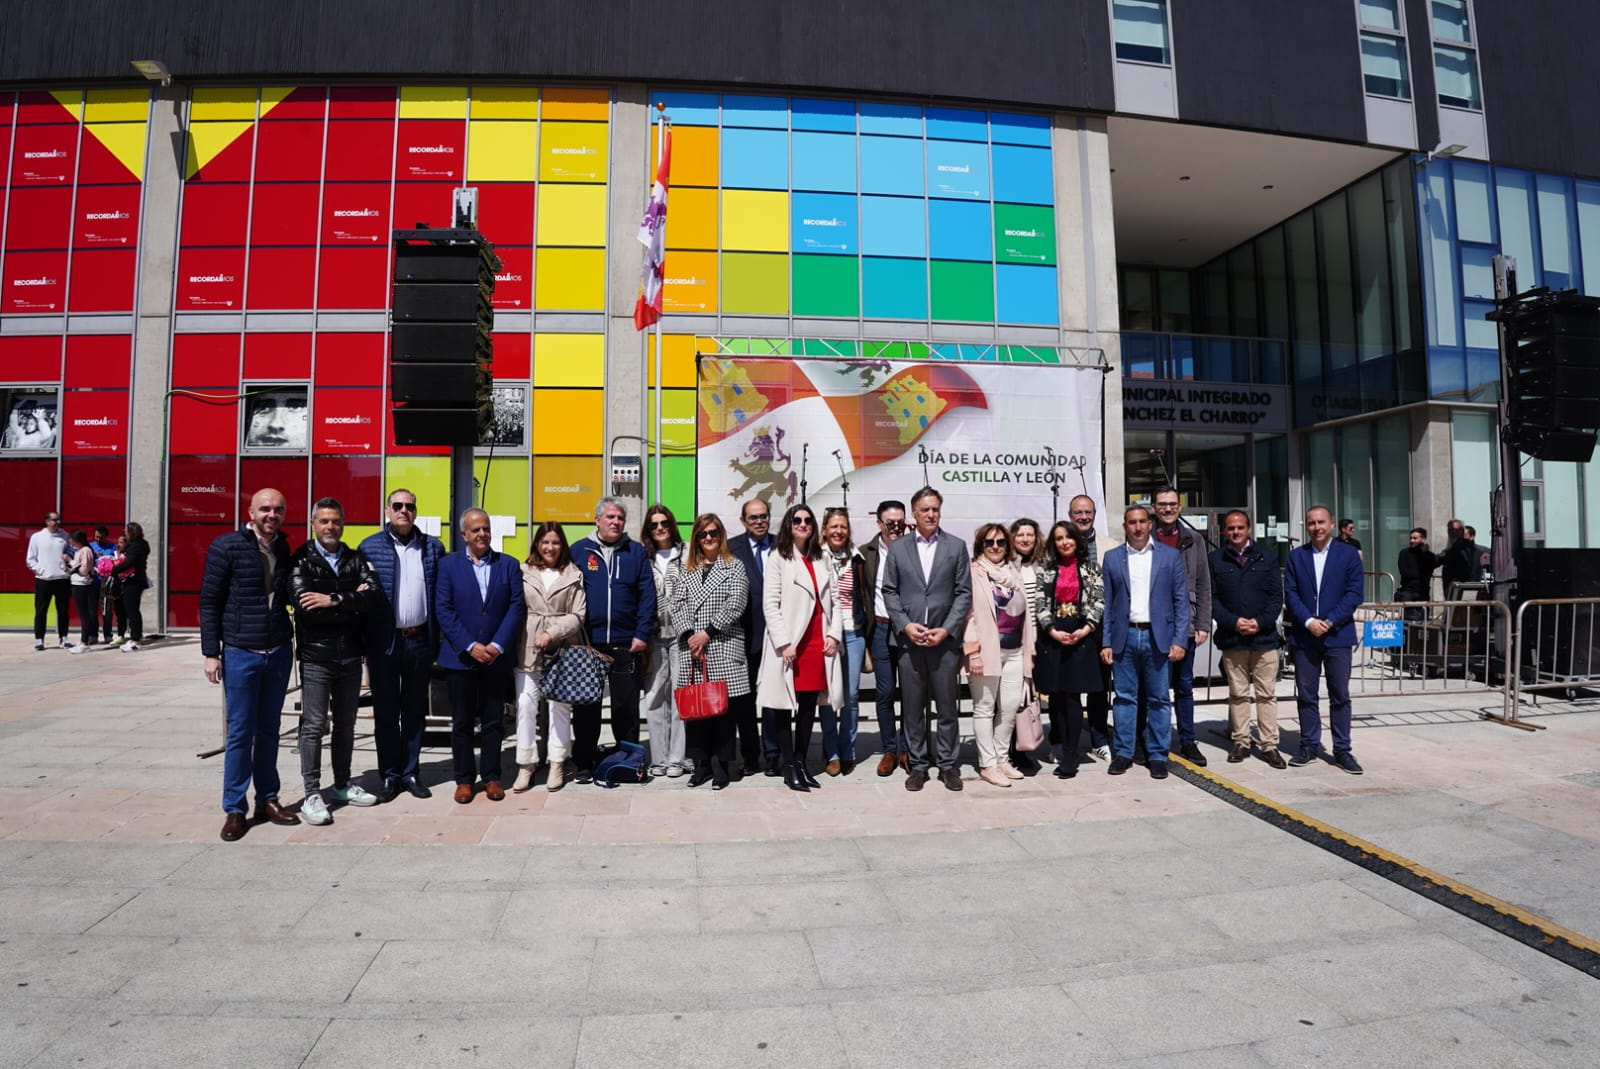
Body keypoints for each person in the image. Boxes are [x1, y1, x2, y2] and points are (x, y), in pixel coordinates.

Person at [200, 488, 299, 842]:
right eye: (265, 509)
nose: (272, 514)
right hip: (241, 651)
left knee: (270, 729)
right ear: (251, 511)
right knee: (241, 732)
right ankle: (234, 807)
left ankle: (267, 799)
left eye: (278, 509)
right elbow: (209, 601)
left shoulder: (284, 548)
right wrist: (211, 652)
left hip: (277, 650)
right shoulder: (226, 546)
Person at [288, 497, 384, 825]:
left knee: (346, 725)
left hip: (351, 656)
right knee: (314, 726)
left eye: (336, 522)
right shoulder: (301, 558)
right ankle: (312, 792)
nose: (331, 527)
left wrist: (333, 598)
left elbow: (374, 596)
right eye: (325, 521)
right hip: (317, 656)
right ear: (314, 523)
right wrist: (350, 602)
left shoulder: (355, 557)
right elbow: (304, 605)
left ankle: (342, 784)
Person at [882, 487, 973, 792]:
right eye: (925, 510)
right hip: (910, 642)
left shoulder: (956, 546)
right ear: (914, 514)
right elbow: (889, 592)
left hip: (944, 642)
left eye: (935, 509)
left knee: (947, 707)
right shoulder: (898, 548)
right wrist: (905, 626)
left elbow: (963, 593)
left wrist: (946, 630)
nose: (931, 514)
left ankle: (947, 765)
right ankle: (919, 765)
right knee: (913, 707)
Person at [360, 488, 446, 802]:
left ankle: (411, 772)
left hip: (419, 640)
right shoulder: (369, 547)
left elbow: (441, 596)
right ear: (387, 510)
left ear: (416, 511)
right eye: (397, 505)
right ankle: (389, 775)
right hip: (384, 643)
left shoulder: (433, 548)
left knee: (414, 712)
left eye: (409, 506)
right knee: (385, 712)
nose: (403, 511)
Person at [436, 508, 524, 803]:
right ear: (464, 535)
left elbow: (515, 608)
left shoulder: (508, 565)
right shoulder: (448, 566)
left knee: (494, 721)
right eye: (476, 530)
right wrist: (470, 645)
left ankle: (492, 776)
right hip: (460, 659)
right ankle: (463, 779)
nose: (482, 534)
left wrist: (497, 645)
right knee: (461, 723)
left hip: (496, 659)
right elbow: (444, 610)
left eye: (485, 529)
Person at [757, 503, 843, 792]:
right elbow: (770, 603)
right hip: (792, 643)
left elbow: (836, 602)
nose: (803, 524)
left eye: (808, 520)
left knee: (808, 708)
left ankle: (802, 762)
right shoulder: (778, 557)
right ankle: (789, 766)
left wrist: (834, 635)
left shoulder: (822, 558)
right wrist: (783, 642)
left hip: (818, 642)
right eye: (797, 520)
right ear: (788, 524)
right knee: (783, 707)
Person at [569, 498, 656, 783]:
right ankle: (583, 761)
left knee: (625, 706)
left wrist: (641, 634)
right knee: (586, 706)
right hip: (588, 643)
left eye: (620, 517)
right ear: (597, 520)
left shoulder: (635, 552)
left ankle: (628, 759)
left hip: (625, 642)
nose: (616, 522)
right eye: (610, 517)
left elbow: (647, 596)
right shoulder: (580, 551)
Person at [1099, 504, 1188, 780]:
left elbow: (1180, 602)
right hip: (1124, 637)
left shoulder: (1170, 557)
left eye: (1141, 522)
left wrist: (1179, 640)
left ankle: (1158, 755)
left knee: (1159, 699)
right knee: (1124, 699)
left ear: (1150, 524)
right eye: (1131, 522)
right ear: (1124, 526)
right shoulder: (1113, 558)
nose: (1137, 527)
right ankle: (1124, 753)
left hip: (1157, 636)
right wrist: (1106, 642)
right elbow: (1108, 603)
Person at [668, 513, 750, 790]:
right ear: (696, 539)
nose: (709, 538)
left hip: (722, 645)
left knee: (722, 714)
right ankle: (700, 766)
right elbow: (676, 604)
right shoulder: (686, 569)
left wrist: (708, 632)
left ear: (721, 535)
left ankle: (723, 767)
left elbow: (737, 602)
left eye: (713, 533)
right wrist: (691, 636)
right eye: (703, 534)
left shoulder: (733, 566)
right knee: (696, 712)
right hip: (693, 650)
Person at [1284, 505, 1366, 774]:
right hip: (1305, 637)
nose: (1316, 527)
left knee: (1340, 695)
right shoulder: (1297, 557)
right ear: (1306, 527)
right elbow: (1291, 593)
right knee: (1306, 695)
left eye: (1321, 522)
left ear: (1331, 524)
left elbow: (1354, 594)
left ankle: (1342, 750)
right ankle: (1308, 745)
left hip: (1338, 636)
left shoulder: (1349, 555)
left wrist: (1329, 621)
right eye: (1311, 523)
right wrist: (1309, 621)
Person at [512, 523, 585, 792]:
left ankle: (557, 762)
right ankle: (526, 763)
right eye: (545, 542)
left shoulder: (573, 574)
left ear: (562, 545)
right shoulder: (523, 571)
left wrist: (551, 632)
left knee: (559, 709)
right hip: (527, 647)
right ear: (537, 544)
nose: (550, 548)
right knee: (526, 706)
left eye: (555, 542)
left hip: (562, 649)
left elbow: (578, 615)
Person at [1209, 510, 1285, 767]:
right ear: (1225, 531)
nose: (1236, 532)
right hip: (1233, 639)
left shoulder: (1267, 557)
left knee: (1266, 694)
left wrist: (1260, 622)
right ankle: (1241, 742)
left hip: (1264, 640)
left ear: (1249, 529)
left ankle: (1270, 746)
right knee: (1238, 694)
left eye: (1240, 527)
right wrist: (1234, 622)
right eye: (1231, 528)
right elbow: (1213, 599)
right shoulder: (1215, 559)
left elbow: (1276, 596)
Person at [963, 523, 1035, 788]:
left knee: (1009, 707)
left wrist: (1030, 650)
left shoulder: (1012, 572)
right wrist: (973, 652)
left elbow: (1025, 616)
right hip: (986, 653)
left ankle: (1002, 757)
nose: (995, 547)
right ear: (981, 545)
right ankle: (988, 763)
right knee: (984, 708)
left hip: (1015, 651)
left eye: (1001, 542)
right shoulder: (973, 573)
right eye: (989, 542)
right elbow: (967, 615)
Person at [1033, 521, 1105, 779]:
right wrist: (1051, 629)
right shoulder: (1046, 569)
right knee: (1055, 697)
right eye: (1059, 538)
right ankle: (1060, 746)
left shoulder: (1090, 568)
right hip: (1053, 637)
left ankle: (1072, 755)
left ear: (1077, 540)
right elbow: (1040, 603)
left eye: (1068, 537)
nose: (1064, 542)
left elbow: (1098, 601)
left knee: (1073, 698)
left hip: (1081, 636)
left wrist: (1086, 629)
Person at [1148, 487, 1213, 766]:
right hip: (1151, 624)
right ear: (1153, 507)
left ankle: (1188, 740)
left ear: (1180, 507)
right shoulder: (1143, 536)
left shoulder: (1193, 539)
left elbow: (1203, 583)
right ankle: (1153, 741)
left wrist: (1203, 623)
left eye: (1172, 504)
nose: (1167, 509)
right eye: (1162, 504)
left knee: (1184, 686)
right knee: (1154, 687)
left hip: (1185, 623)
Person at [726, 498, 777, 777]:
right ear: (743, 520)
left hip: (776, 637)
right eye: (753, 517)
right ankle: (749, 756)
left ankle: (772, 754)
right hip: (743, 637)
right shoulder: (732, 549)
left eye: (763, 516)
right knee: (744, 702)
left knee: (772, 701)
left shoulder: (783, 545)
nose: (759, 521)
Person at [859, 499, 908, 776]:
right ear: (879, 523)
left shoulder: (915, 549)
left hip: (908, 631)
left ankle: (909, 750)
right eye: (890, 523)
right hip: (879, 628)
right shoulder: (867, 553)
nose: (895, 528)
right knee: (885, 691)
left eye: (900, 522)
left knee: (912, 694)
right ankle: (890, 749)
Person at [818, 507, 867, 776]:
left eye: (843, 527)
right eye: (833, 526)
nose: (838, 531)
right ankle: (831, 751)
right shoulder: (816, 557)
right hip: (828, 635)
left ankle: (848, 750)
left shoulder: (857, 558)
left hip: (854, 632)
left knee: (851, 695)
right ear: (824, 529)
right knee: (828, 696)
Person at [640, 504, 687, 778]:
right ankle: (658, 757)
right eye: (654, 524)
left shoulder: (686, 553)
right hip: (654, 636)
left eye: (664, 523)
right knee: (655, 697)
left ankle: (677, 758)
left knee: (680, 697)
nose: (659, 528)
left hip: (681, 636)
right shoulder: (643, 557)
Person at [1067, 494, 1112, 757]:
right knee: (1066, 690)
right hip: (1068, 626)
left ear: (1094, 514)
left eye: (1088, 512)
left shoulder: (1110, 546)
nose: (1083, 517)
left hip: (1100, 629)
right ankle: (1064, 741)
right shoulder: (1059, 544)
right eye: (1078, 513)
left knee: (1099, 688)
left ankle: (1099, 740)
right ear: (1070, 515)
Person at [1007, 517, 1047, 770]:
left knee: (1030, 697)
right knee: (1012, 698)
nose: (1025, 539)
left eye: (1029, 535)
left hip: (1041, 640)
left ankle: (1025, 743)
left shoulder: (1043, 564)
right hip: (1015, 642)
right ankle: (1010, 750)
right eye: (1020, 535)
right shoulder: (1007, 566)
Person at [26, 510, 70, 650]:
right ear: (47, 521)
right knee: (41, 610)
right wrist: (40, 570)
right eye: (54, 520)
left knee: (63, 610)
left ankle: (64, 638)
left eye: (58, 520)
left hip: (62, 579)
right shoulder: (37, 537)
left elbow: (70, 554)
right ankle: (39, 640)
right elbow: (30, 559)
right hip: (44, 580)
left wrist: (67, 567)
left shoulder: (65, 536)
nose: (57, 522)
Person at [111, 521, 150, 652]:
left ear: (132, 533)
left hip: (133, 581)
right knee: (132, 610)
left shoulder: (136, 546)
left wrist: (113, 568)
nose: (125, 534)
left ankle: (135, 640)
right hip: (135, 580)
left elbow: (129, 563)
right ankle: (135, 637)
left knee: (132, 611)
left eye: (126, 532)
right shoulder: (141, 544)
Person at [66, 530, 98, 652]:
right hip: (76, 583)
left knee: (85, 614)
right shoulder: (79, 551)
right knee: (83, 613)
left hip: (82, 584)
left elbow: (84, 569)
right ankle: (83, 640)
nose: (69, 541)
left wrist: (71, 562)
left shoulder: (86, 550)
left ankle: (85, 642)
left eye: (71, 539)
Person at [1396, 527, 1439, 609]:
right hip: (1407, 591)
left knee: (1423, 617)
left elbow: (1428, 571)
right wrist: (1421, 574)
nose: (1412, 541)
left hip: (1423, 592)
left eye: (1415, 538)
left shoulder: (1429, 555)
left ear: (1423, 539)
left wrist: (1424, 554)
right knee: (1408, 617)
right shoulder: (1404, 553)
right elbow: (1404, 572)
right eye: (1411, 538)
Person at [90, 525, 119, 646]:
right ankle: (93, 635)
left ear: (106, 536)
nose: (98, 539)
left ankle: (108, 634)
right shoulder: (90, 546)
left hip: (106, 582)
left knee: (106, 609)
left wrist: (105, 558)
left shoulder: (112, 547)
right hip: (92, 582)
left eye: (101, 537)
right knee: (92, 610)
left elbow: (116, 561)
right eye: (96, 536)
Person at [1439, 517, 1475, 594]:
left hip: (1463, 588)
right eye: (1450, 530)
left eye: (1455, 530)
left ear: (1462, 531)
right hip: (1451, 589)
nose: (1452, 533)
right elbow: (1437, 561)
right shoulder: (1449, 549)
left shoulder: (1469, 548)